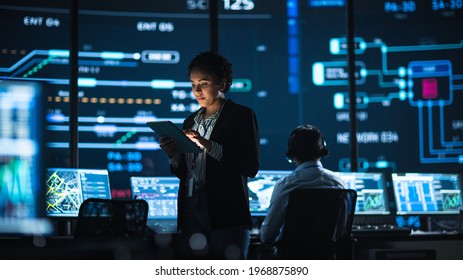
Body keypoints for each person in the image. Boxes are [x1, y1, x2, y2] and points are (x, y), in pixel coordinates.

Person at [159, 51, 260, 259]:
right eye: (193, 84)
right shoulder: (190, 121)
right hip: (190, 207)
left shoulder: (241, 115)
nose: (197, 90)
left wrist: (206, 144)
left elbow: (250, 166)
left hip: (226, 209)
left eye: (203, 83)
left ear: (221, 85)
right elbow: (186, 173)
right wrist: (174, 155)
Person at [260, 124, 346, 244]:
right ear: (322, 150)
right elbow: (342, 231)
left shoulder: (285, 185)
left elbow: (267, 236)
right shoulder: (339, 183)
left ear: (292, 154)